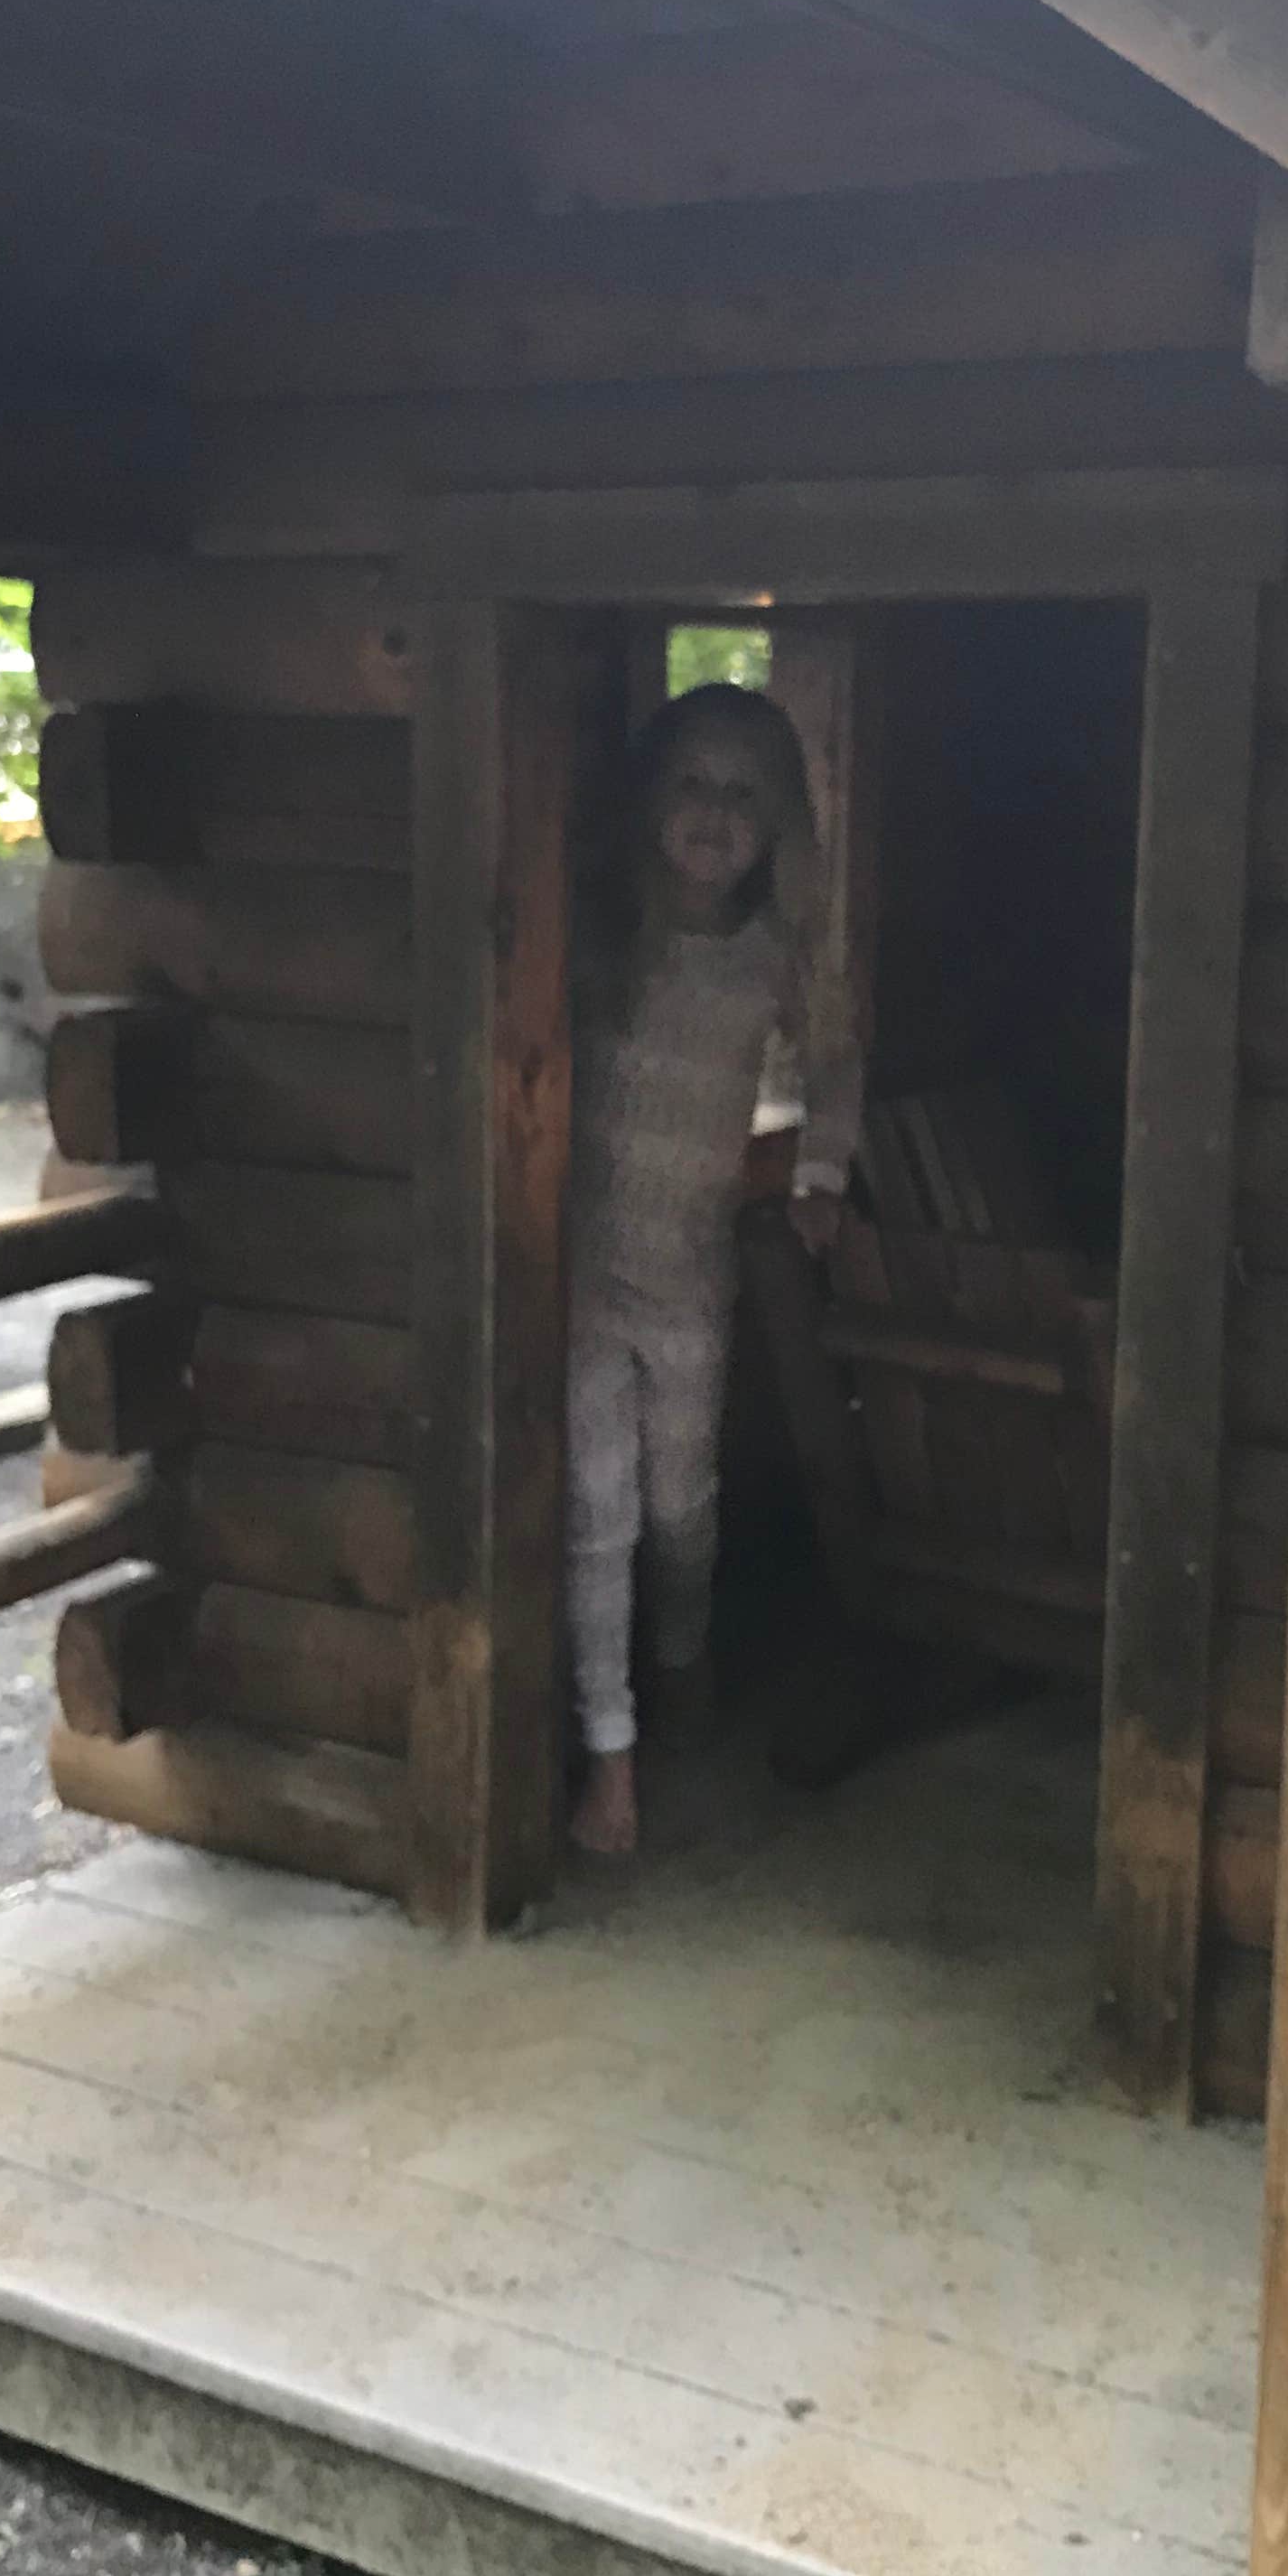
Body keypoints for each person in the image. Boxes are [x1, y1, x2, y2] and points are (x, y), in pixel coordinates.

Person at [565, 682, 862, 1857]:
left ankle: (681, 1658)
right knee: (596, 1515)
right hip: (583, 1270)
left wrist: (822, 1177)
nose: (713, 813)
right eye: (691, 782)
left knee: (679, 1512)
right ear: (647, 797)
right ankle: (611, 1763)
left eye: (744, 794)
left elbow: (835, 1064)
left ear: (779, 821)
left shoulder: (770, 956)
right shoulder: (598, 937)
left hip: (691, 1278)